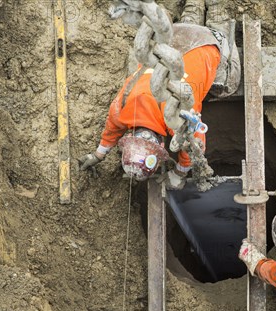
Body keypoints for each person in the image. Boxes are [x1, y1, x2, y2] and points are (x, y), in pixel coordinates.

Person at [78, 0, 240, 188]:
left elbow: (196, 145)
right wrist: (98, 154)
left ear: (162, 147)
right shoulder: (122, 108)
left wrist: (179, 173)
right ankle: (194, 6)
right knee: (189, 25)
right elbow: (112, 128)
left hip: (207, 44)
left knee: (228, 85)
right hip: (178, 36)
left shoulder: (176, 116)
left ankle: (218, 17)